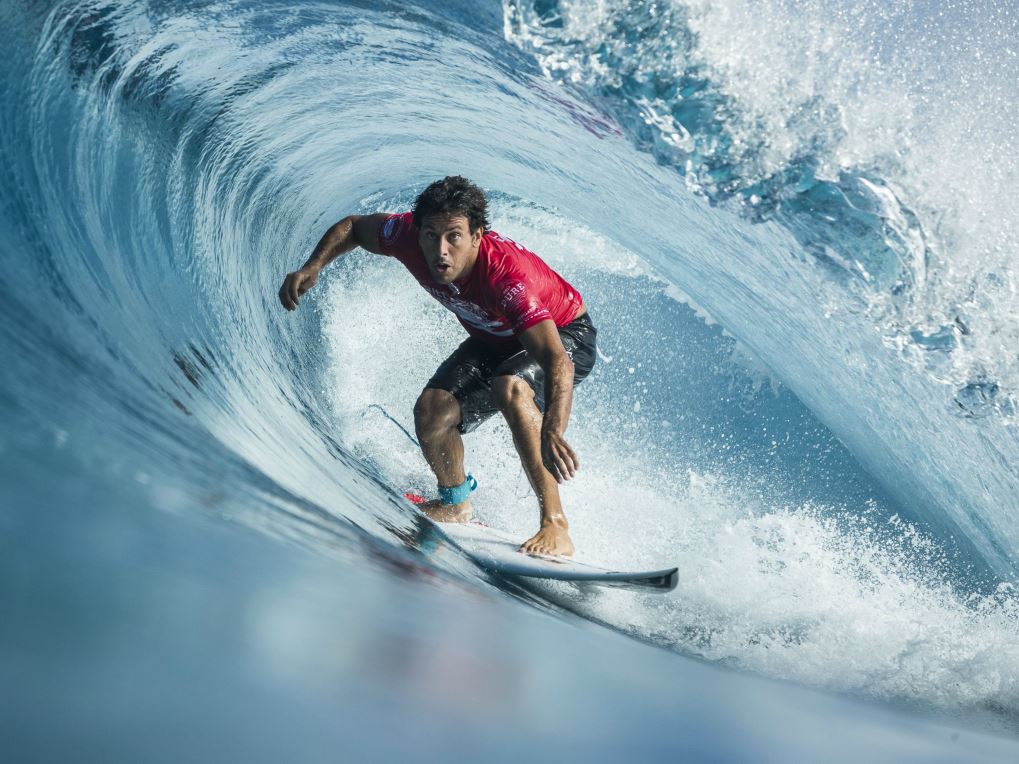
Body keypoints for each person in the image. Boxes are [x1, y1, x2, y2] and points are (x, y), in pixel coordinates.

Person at [279, 176, 597, 557]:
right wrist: (312, 266)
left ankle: (556, 525)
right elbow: (355, 227)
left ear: (478, 235)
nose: (440, 251)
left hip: (566, 337)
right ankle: (455, 502)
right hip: (494, 337)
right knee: (432, 411)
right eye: (431, 235)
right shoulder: (407, 237)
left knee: (510, 386)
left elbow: (556, 361)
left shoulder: (507, 279)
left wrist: (552, 428)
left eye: (454, 237)